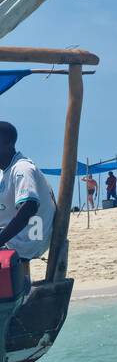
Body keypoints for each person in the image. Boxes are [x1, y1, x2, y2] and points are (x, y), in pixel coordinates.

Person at [0, 121, 56, 284]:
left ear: (9, 143)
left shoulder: (22, 169)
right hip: (18, 235)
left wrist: (0, 240)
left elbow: (29, 207)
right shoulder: (7, 171)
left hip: (29, 237)